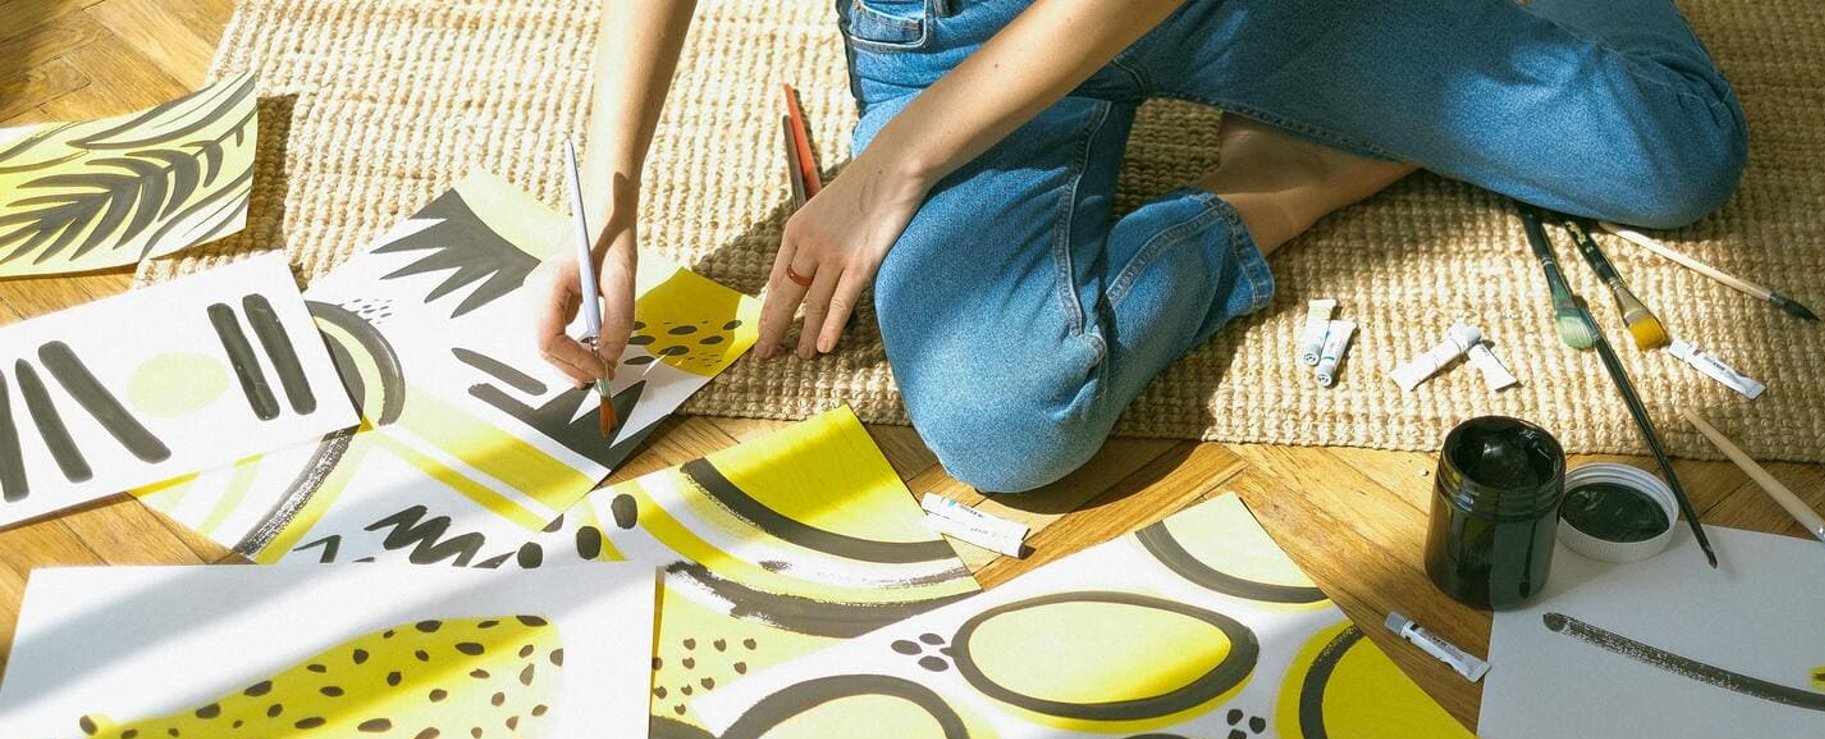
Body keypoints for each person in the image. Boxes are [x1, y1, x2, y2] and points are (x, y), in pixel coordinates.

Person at [533, 0, 1746, 493]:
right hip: (942, 38)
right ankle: (1280, 181)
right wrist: (611, 197)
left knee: (1676, 152)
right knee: (1006, 422)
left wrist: (893, 168)